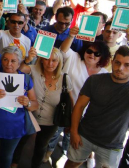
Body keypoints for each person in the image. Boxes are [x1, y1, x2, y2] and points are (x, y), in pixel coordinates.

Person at [45, 28, 111, 166]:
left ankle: (65, 155)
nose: (92, 55)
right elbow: (63, 50)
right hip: (63, 106)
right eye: (89, 51)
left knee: (72, 137)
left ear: (103, 57)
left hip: (84, 113)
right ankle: (49, 151)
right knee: (55, 132)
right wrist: (71, 35)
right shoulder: (74, 58)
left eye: (97, 53)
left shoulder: (104, 74)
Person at [64, 46, 129, 168]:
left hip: (112, 144)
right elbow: (79, 106)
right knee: (72, 163)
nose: (120, 68)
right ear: (112, 62)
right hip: (85, 135)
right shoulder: (95, 80)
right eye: (118, 63)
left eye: (127, 65)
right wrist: (74, 131)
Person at [12, 47, 73, 168]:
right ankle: (13, 164)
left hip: (50, 122)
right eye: (47, 59)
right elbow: (20, 69)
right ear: (41, 60)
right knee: (20, 142)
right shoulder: (34, 70)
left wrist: (72, 122)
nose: (50, 63)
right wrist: (29, 59)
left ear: (59, 62)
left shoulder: (64, 79)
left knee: (41, 147)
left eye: (54, 60)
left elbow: (70, 101)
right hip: (29, 116)